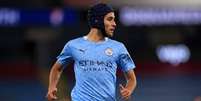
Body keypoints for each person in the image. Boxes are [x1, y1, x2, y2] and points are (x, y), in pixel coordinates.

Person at [46, 3, 137, 101]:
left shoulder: (119, 47)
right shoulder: (73, 45)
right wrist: (51, 87)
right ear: (97, 20)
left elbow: (131, 79)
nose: (114, 23)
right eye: (110, 19)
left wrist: (128, 90)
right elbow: (57, 69)